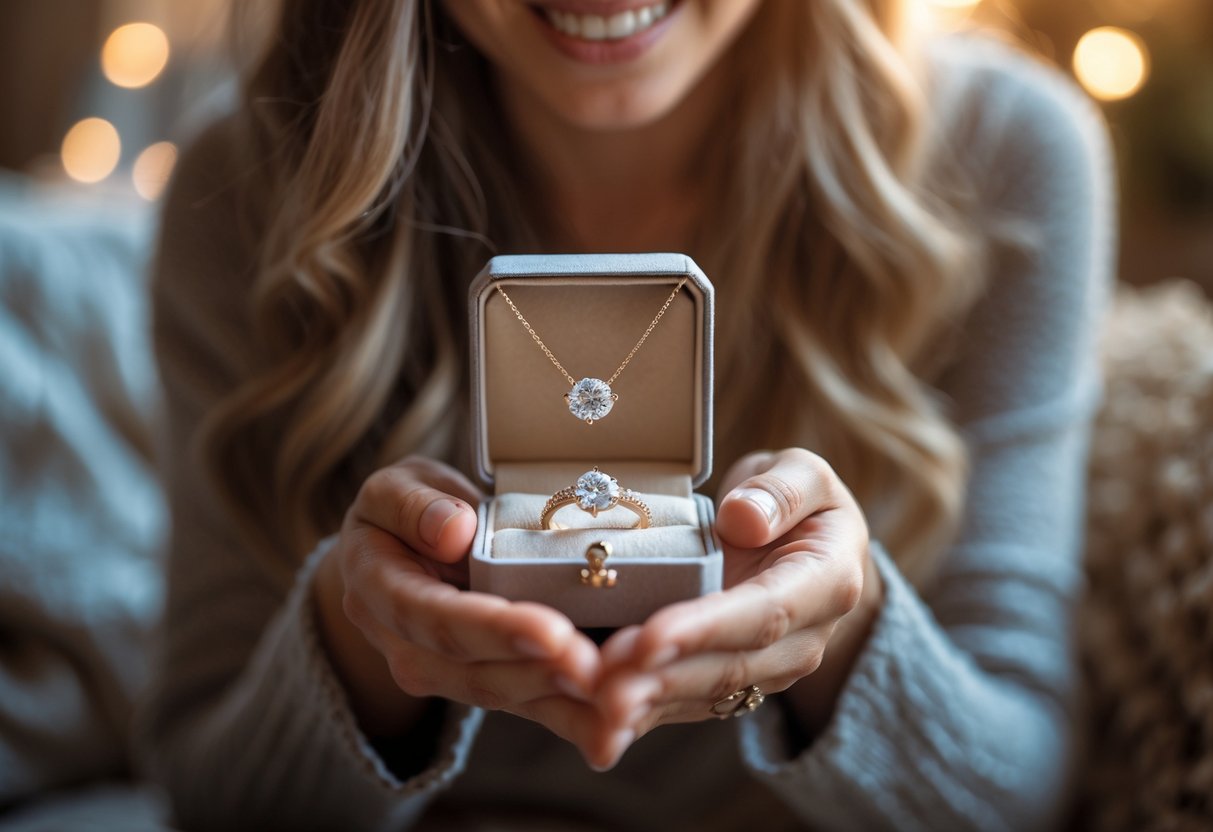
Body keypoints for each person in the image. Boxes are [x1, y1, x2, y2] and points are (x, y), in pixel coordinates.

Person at [137, 0, 1114, 829]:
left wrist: (837, 629)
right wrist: (360, 640)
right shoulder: (250, 188)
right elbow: (210, 792)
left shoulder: (1004, 154)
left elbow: (1015, 791)